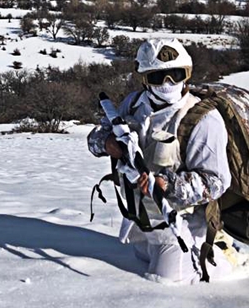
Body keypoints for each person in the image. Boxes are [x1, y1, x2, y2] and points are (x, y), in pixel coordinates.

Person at [87, 38, 237, 284]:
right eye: (158, 77)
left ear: (186, 75)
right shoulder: (132, 105)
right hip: (140, 223)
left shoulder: (202, 119)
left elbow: (217, 182)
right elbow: (94, 140)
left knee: (163, 280)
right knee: (142, 258)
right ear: (145, 78)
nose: (168, 84)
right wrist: (107, 143)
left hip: (183, 224)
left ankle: (221, 254)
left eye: (175, 75)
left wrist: (167, 184)